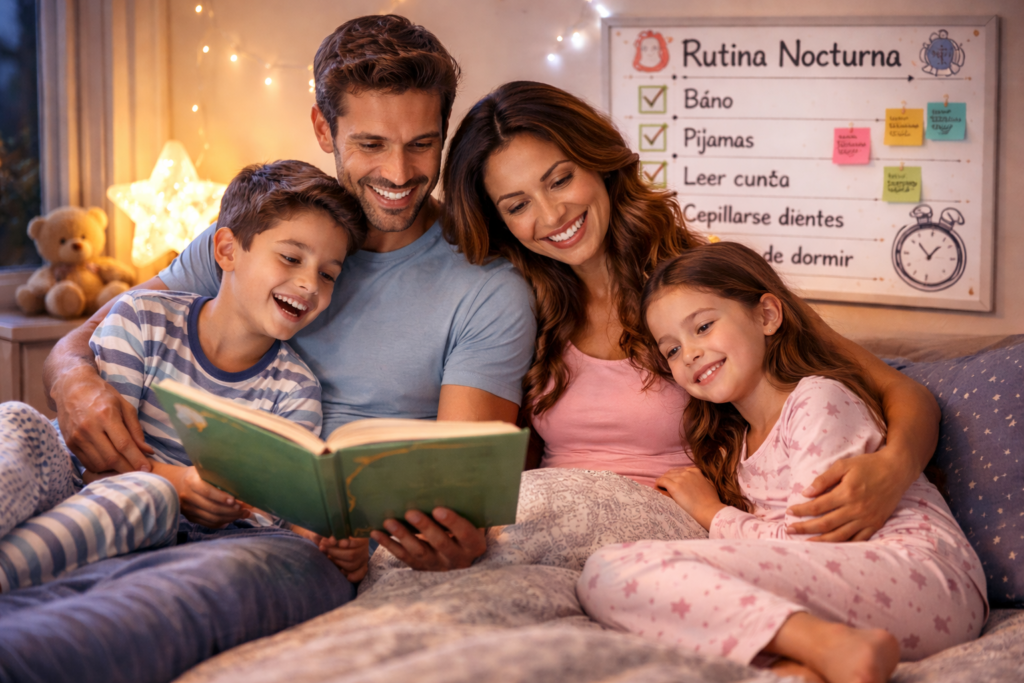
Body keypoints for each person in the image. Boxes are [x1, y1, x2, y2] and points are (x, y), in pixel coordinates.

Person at [42, 15, 535, 572]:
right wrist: (72, 382)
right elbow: (86, 339)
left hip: (301, 551)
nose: (398, 173)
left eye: (421, 144)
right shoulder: (261, 237)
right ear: (324, 129)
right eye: (371, 144)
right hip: (154, 505)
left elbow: (462, 497)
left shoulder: (487, 289)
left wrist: (456, 540)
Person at [443, 80, 942, 542]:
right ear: (500, 222)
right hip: (547, 524)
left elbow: (900, 391)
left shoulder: (702, 285)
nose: (552, 215)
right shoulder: (517, 305)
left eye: (560, 180)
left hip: (663, 531)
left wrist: (893, 470)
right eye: (518, 206)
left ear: (598, 163)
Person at [577, 242, 987, 683]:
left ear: (768, 315)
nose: (690, 352)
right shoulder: (736, 448)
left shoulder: (817, 399)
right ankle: (798, 668)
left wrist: (714, 514)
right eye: (672, 350)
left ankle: (826, 647)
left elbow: (816, 541)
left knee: (614, 570)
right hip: (864, 597)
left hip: (922, 580)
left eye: (703, 326)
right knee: (609, 582)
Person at [0, 159, 369, 591]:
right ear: (226, 250)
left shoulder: (295, 392)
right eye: (290, 258)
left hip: (156, 524)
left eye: (327, 274)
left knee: (148, 495)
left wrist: (329, 540)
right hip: (67, 481)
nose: (310, 285)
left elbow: (273, 514)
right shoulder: (141, 318)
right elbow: (91, 458)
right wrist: (179, 481)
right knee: (17, 421)